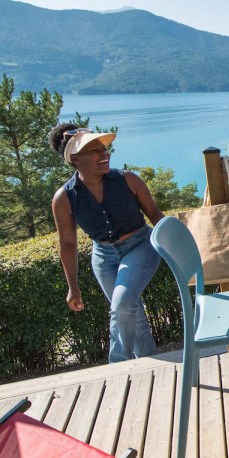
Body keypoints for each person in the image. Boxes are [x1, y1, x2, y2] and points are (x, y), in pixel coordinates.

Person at [49, 123, 166, 363]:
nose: (104, 154)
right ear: (75, 158)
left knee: (122, 305)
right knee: (132, 313)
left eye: (104, 149)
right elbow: (68, 244)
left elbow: (155, 215)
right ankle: (153, 366)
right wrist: (73, 286)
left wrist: (178, 249)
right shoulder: (64, 198)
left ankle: (118, 368)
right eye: (94, 150)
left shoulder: (129, 180)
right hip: (103, 257)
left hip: (140, 246)